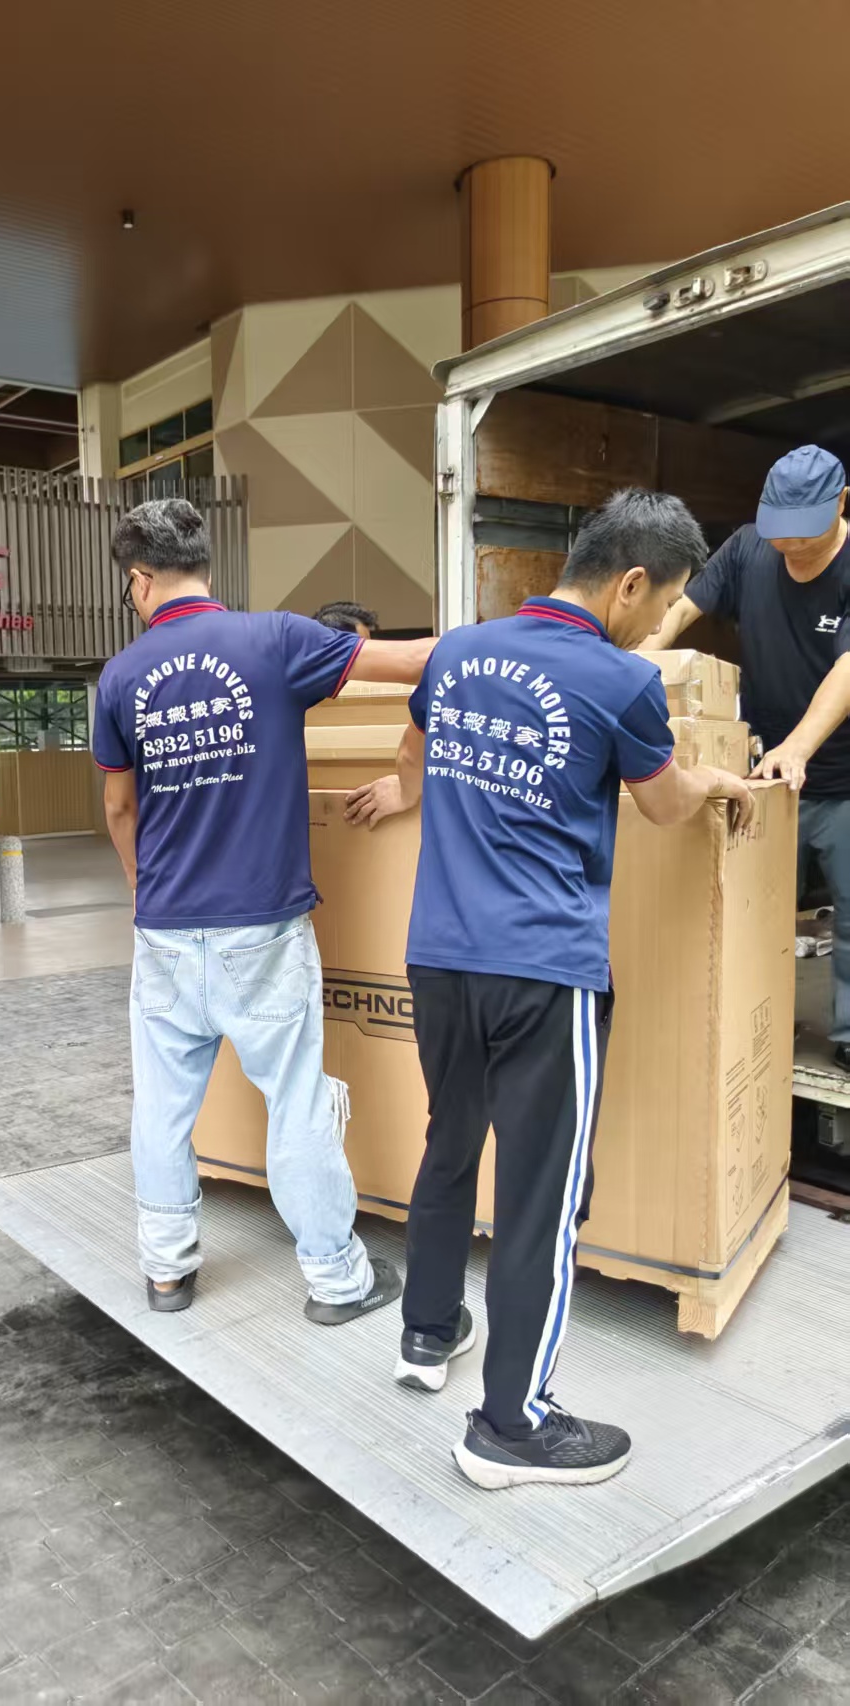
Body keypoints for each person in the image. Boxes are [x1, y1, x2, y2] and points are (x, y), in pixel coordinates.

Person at [346, 490, 754, 1489]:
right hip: (542, 972)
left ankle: (426, 1334)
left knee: (450, 1141)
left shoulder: (456, 653)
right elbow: (660, 804)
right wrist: (716, 782)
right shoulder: (619, 679)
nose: (652, 628)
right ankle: (511, 1425)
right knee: (541, 1198)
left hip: (439, 956)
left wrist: (407, 787)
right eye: (656, 609)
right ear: (626, 581)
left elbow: (415, 745)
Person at [94, 498, 436, 1322]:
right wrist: (411, 776)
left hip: (167, 931)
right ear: (207, 567)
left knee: (163, 1107)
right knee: (296, 1100)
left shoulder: (120, 677)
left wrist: (146, 888)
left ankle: (167, 1272)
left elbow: (118, 810)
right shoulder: (277, 641)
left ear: (139, 580)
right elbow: (423, 662)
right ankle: (334, 1280)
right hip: (263, 931)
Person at [649, 445, 850, 1068]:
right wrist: (639, 660)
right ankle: (758, 1019)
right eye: (780, 534)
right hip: (766, 777)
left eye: (805, 536)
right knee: (756, 910)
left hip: (841, 779)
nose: (790, 547)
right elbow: (684, 605)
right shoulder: (745, 549)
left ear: (842, 503)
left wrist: (799, 745)